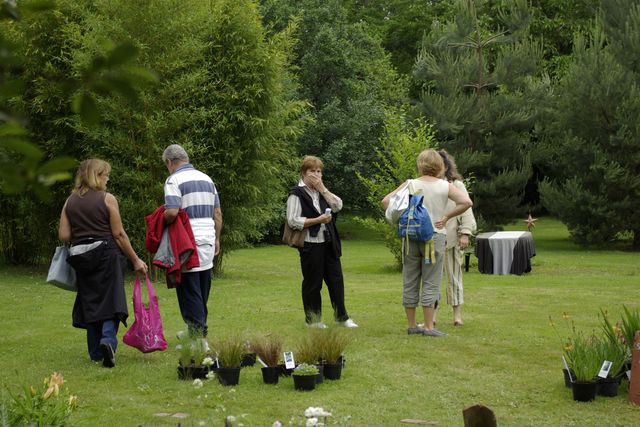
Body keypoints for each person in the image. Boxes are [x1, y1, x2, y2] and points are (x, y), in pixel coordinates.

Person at [58, 159, 148, 368]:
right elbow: (118, 234)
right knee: (112, 299)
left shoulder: (69, 201)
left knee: (90, 301)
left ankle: (95, 353)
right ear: (96, 176)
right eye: (105, 174)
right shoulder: (107, 199)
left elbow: (64, 235)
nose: (107, 179)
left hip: (81, 256)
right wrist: (135, 259)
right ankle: (107, 340)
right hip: (106, 254)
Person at [382, 149, 472, 337]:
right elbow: (466, 202)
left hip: (411, 236)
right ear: (440, 166)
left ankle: (412, 324)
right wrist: (447, 216)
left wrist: (404, 216)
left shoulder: (410, 184)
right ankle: (430, 327)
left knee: (410, 278)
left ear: (420, 165)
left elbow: (386, 201)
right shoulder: (444, 185)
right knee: (431, 280)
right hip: (434, 236)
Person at [286, 155, 358, 328]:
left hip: (329, 242)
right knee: (313, 283)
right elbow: (293, 220)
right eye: (312, 171)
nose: (316, 174)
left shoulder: (322, 191)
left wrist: (322, 188)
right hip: (310, 244)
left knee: (336, 280)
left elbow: (338, 206)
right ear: (303, 173)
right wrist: (318, 220)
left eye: (319, 171)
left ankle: (342, 317)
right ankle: (313, 320)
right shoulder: (296, 194)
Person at [162, 144, 222, 338]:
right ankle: (195, 329)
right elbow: (217, 213)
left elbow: (171, 211)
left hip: (186, 239)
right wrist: (217, 238)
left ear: (170, 162)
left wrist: (159, 217)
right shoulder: (207, 179)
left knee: (189, 288)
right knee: (202, 285)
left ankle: (198, 335)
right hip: (208, 235)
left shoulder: (174, 180)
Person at [438, 150, 476, 326]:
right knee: (432, 280)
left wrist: (465, 233)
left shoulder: (456, 185)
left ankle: (457, 315)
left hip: (452, 237)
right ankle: (432, 317)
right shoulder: (425, 185)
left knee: (454, 277)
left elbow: (466, 209)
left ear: (445, 166)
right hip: (431, 240)